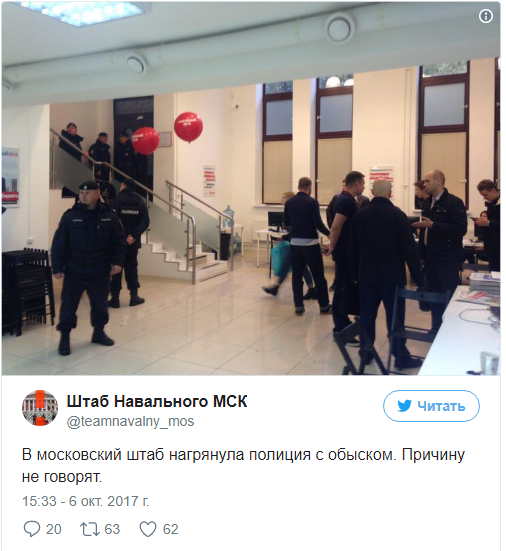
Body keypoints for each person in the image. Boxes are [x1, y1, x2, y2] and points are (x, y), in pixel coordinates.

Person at [349, 179, 423, 368]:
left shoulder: (360, 216)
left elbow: (353, 249)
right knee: (395, 318)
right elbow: (409, 250)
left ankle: (366, 352)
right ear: (390, 194)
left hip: (367, 277)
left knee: (367, 317)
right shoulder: (398, 216)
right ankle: (400, 356)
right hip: (392, 277)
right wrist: (419, 278)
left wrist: (355, 274)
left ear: (373, 192)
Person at [51, 181, 126, 356]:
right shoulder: (70, 216)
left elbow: (119, 242)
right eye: (81, 193)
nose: (83, 196)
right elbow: (59, 243)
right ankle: (65, 337)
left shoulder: (109, 216)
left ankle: (98, 333)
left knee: (100, 303)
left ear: (97, 194)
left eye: (88, 193)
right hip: (75, 267)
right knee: (69, 304)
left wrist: (118, 262)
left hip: (100, 267)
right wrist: (57, 267)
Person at [413, 169, 467, 332]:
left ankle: (451, 330)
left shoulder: (454, 203)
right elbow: (424, 231)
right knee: (434, 296)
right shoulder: (427, 203)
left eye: (427, 181)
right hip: (431, 258)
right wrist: (421, 254)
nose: (424, 184)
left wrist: (434, 225)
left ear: (439, 181)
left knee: (448, 296)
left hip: (448, 259)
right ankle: (436, 328)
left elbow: (460, 229)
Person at [323, 171, 365, 342]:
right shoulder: (346, 201)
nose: (364, 187)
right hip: (344, 253)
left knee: (344, 287)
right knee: (342, 289)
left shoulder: (346, 199)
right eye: (363, 184)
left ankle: (343, 324)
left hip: (347, 251)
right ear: (356, 184)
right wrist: (332, 246)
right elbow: (336, 226)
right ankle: (340, 327)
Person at [283, 177, 331, 316]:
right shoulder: (312, 202)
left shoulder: (289, 202)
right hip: (311, 245)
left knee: (297, 277)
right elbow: (318, 222)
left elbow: (286, 222)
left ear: (298, 187)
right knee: (318, 276)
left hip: (295, 244)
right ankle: (324, 306)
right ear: (309, 187)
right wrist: (329, 234)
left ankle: (298, 306)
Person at [262, 191, 317, 300]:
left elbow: (295, 227)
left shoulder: (292, 209)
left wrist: (286, 237)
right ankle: (311, 288)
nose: (281, 199)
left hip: (297, 243)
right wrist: (285, 237)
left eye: (283, 197)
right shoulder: (292, 208)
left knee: (288, 265)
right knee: (296, 266)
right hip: (296, 241)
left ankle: (277, 287)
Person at [109, 178, 150, 308]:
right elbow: (145, 221)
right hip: (132, 242)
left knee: (116, 267)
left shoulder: (116, 201)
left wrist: (122, 237)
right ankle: (134, 297)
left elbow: (112, 220)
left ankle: (115, 299)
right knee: (131, 267)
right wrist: (133, 236)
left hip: (118, 243)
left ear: (123, 185)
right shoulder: (140, 201)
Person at [474, 179, 500, 272]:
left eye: (485, 195)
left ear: (493, 190)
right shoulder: (491, 204)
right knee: (494, 272)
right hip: (491, 246)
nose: (484, 198)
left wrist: (488, 223)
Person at [89, 132, 116, 202]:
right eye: (103, 137)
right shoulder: (94, 147)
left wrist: (111, 171)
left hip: (106, 171)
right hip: (99, 172)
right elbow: (92, 160)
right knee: (100, 189)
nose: (105, 139)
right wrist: (97, 170)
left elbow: (108, 162)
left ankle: (106, 203)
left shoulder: (106, 148)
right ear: (99, 137)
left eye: (106, 138)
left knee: (106, 189)